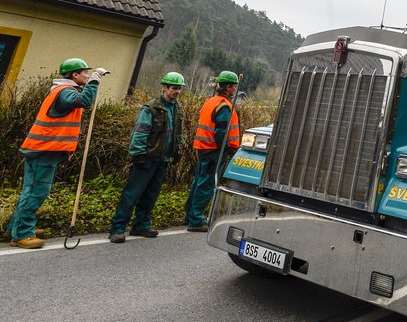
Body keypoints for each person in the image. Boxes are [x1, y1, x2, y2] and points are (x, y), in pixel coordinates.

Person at [6, 58, 106, 249]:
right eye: (85, 72)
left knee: (33, 191)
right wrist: (95, 80)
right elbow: (84, 101)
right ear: (75, 75)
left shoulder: (64, 91)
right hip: (42, 150)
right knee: (36, 192)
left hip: (47, 150)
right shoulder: (65, 92)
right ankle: (22, 234)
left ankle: (16, 228)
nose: (86, 75)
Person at [108, 72, 186, 243]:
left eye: (179, 88)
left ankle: (141, 225)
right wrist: (139, 155)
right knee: (132, 194)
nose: (177, 91)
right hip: (147, 158)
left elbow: (178, 133)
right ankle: (117, 228)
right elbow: (139, 132)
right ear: (165, 87)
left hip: (163, 159)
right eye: (174, 88)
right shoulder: (150, 108)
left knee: (151, 195)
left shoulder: (178, 108)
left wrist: (177, 150)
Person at [185, 70, 241, 232]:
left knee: (198, 182)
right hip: (215, 150)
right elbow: (221, 132)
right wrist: (227, 149)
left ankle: (190, 214)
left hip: (203, 148)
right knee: (206, 185)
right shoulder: (224, 106)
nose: (235, 89)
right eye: (234, 86)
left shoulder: (211, 101)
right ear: (228, 88)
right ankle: (195, 220)